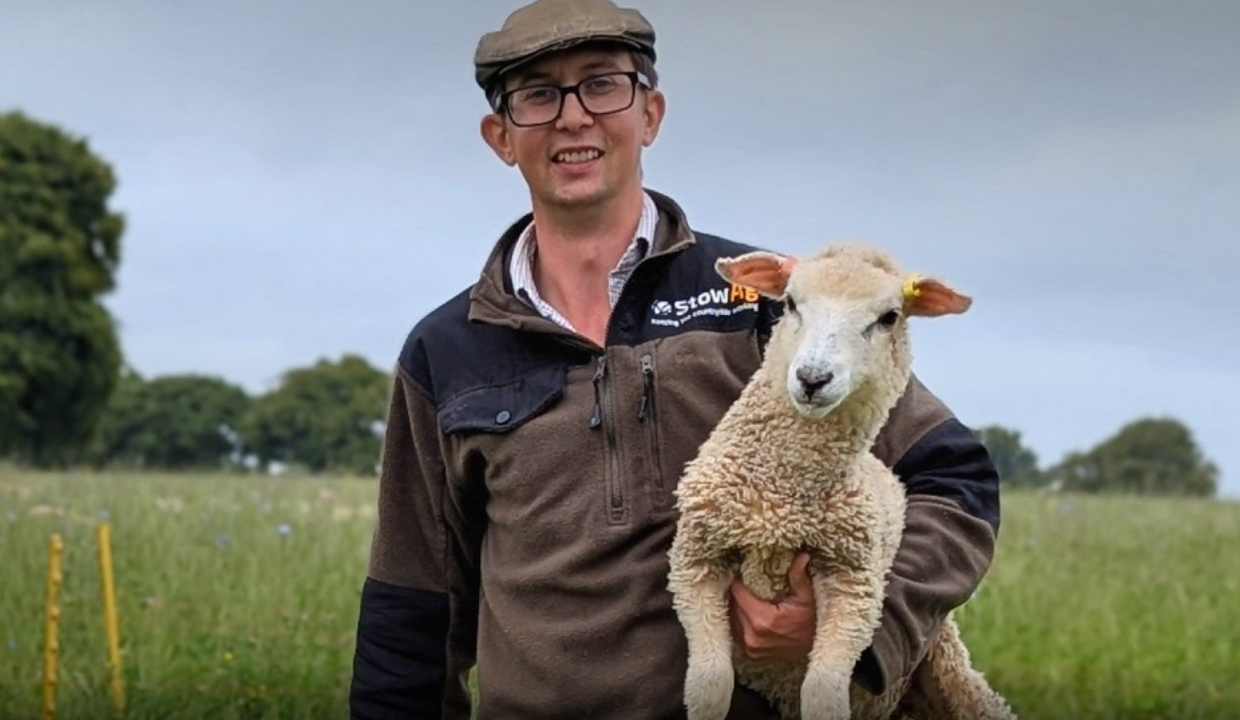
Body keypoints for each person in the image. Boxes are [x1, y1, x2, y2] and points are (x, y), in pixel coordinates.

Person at [348, 1, 1001, 718]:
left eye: (603, 84)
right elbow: (414, 601)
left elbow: (953, 479)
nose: (573, 117)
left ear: (650, 114)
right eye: (537, 95)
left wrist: (856, 625)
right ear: (500, 137)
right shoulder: (448, 349)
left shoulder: (771, 305)